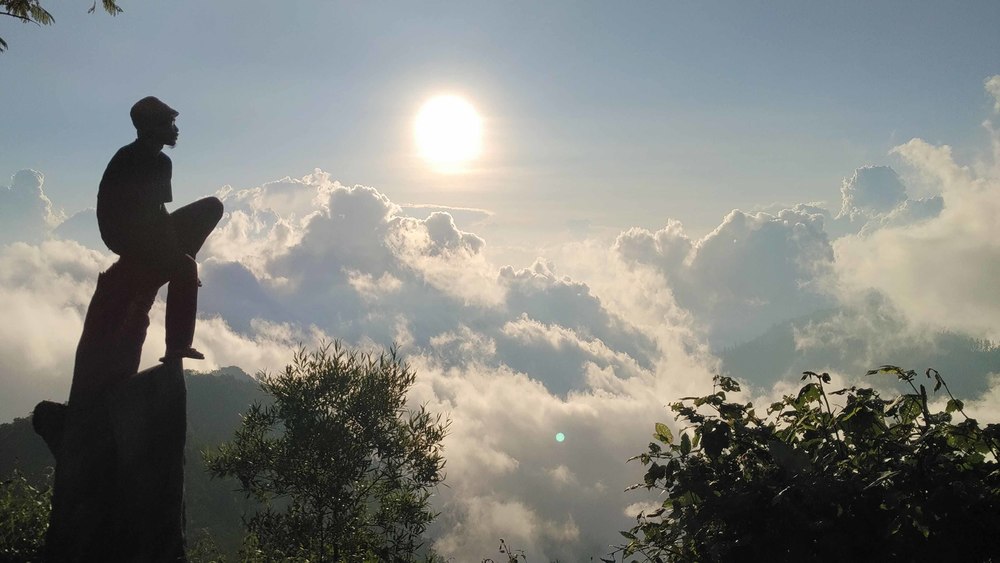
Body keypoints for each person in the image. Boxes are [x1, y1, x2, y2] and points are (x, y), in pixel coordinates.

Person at [97, 96, 223, 362]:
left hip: (148, 230)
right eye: (170, 122)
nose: (176, 129)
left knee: (212, 207)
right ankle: (177, 345)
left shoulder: (162, 162)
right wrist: (178, 259)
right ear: (152, 127)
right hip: (126, 236)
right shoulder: (130, 159)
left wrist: (180, 252)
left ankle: (181, 264)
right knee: (185, 268)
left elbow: (160, 212)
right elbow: (136, 216)